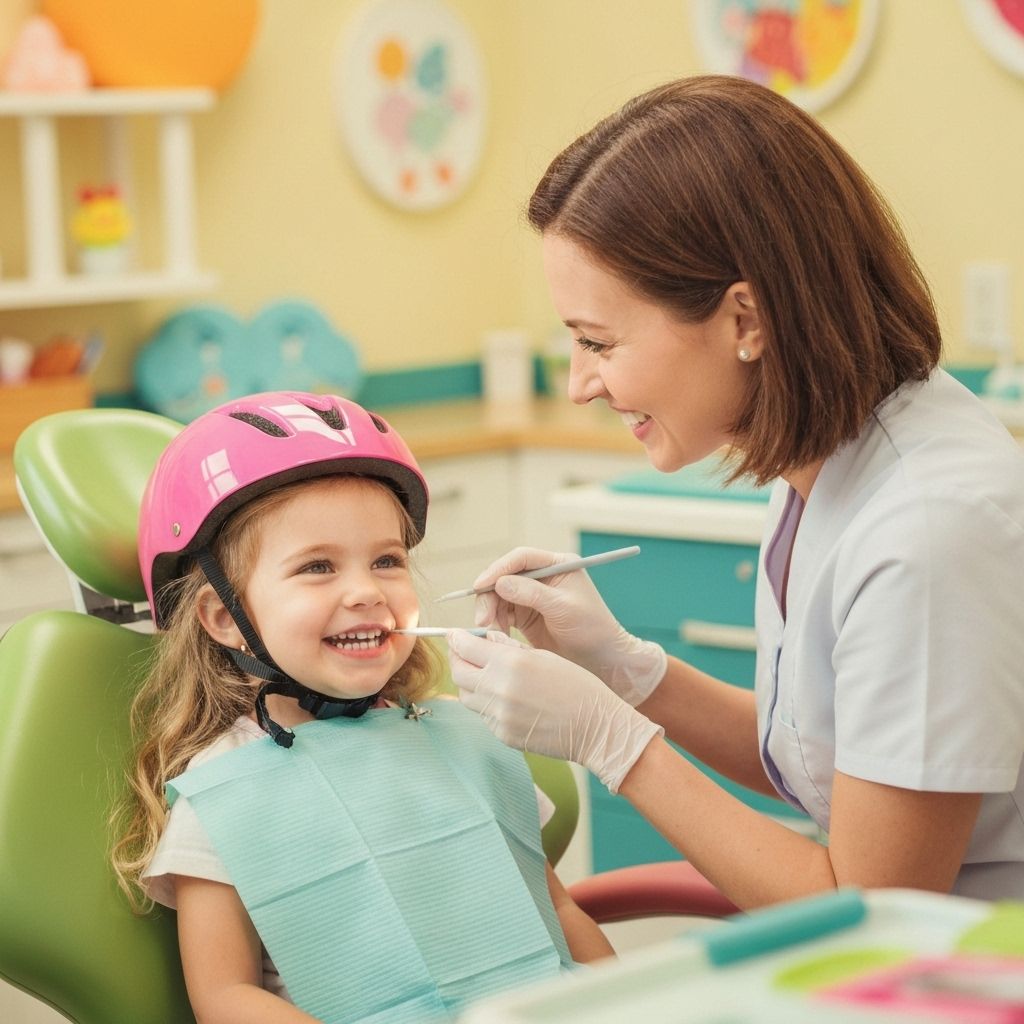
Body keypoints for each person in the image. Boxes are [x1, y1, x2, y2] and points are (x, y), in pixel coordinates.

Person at [448, 74, 1024, 908]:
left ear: (746, 321)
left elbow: (881, 912)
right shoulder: (822, 460)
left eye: (598, 342)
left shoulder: (929, 529)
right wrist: (622, 668)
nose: (580, 385)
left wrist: (617, 745)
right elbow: (832, 765)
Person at [112, 391, 612, 1024]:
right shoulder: (225, 794)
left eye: (387, 560)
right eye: (318, 566)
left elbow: (559, 914)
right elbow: (225, 997)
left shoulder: (464, 735)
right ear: (223, 617)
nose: (366, 591)